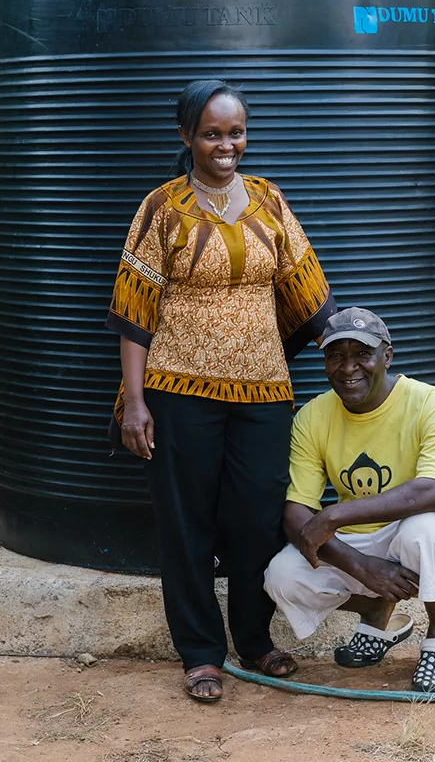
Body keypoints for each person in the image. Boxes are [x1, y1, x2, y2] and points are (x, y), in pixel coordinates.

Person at [109, 78, 335, 703]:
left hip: (264, 391)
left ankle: (255, 641)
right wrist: (135, 403)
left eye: (235, 132)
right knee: (186, 523)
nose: (226, 144)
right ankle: (202, 654)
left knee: (258, 519)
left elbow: (307, 290)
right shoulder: (163, 207)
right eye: (212, 133)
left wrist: (346, 350)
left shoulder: (268, 200)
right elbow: (134, 311)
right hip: (178, 389)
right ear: (187, 137)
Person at [263, 306, 435, 692]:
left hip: (433, 530)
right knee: (281, 577)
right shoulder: (312, 417)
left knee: (424, 529)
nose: (348, 368)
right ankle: (374, 609)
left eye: (362, 354)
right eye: (336, 356)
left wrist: (333, 515)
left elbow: (433, 491)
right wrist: (362, 567)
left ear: (387, 355)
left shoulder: (432, 403)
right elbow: (297, 515)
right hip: (362, 539)